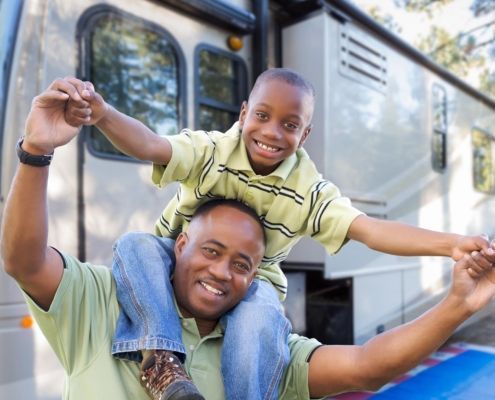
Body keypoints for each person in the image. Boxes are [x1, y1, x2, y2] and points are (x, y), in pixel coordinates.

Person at [2, 79, 495, 400]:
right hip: (157, 263)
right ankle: (161, 358)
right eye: (261, 116)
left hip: (260, 295)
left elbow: (370, 232)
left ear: (305, 135)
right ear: (242, 112)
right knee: (134, 244)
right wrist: (98, 117)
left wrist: (451, 246)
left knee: (261, 311)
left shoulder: (307, 194)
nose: (272, 133)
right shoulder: (212, 152)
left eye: (290, 125)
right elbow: (151, 144)